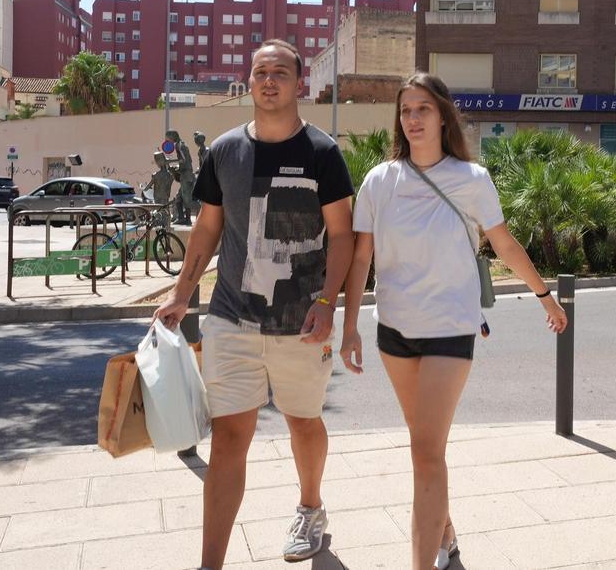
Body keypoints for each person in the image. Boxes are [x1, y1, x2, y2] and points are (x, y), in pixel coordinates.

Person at [340, 72, 569, 570]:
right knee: (427, 446)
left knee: (424, 451)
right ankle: (446, 537)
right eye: (406, 111)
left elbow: (504, 244)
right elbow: (361, 259)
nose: (413, 118)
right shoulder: (381, 180)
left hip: (450, 328)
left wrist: (544, 297)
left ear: (443, 115)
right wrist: (349, 326)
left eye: (423, 108)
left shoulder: (472, 180)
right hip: (394, 330)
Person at [153, 39, 354, 570]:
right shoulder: (224, 152)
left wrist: (328, 302)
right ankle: (210, 564)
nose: (270, 81)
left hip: (301, 324)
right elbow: (207, 230)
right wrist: (180, 295)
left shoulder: (323, 153)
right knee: (229, 437)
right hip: (231, 318)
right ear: (249, 82)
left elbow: (343, 236)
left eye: (280, 73)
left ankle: (311, 508)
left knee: (303, 422)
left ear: (298, 83)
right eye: (261, 72)